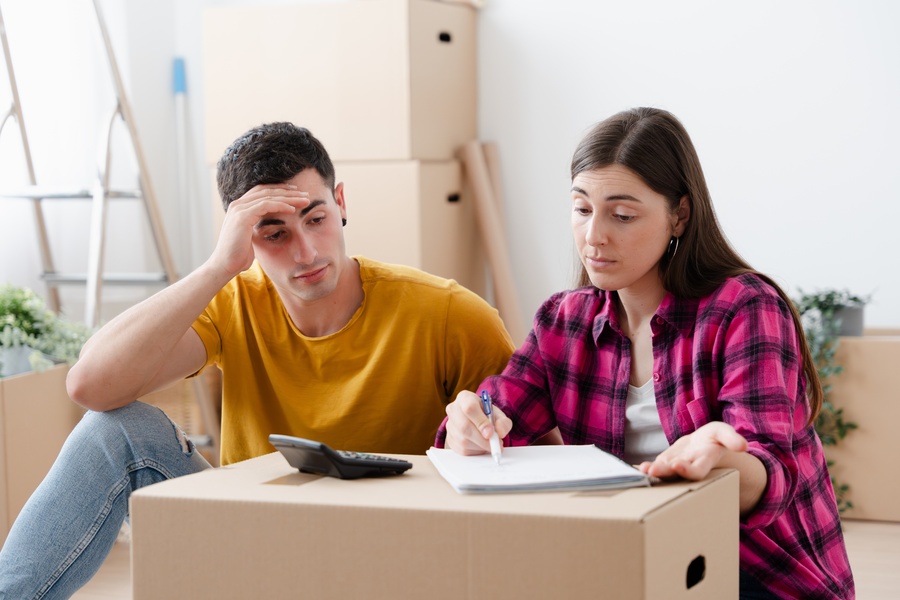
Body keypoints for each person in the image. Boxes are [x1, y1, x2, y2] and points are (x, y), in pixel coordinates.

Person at [0, 122, 515, 598]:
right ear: (243, 237)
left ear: (340, 203)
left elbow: (536, 459)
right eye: (274, 233)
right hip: (252, 547)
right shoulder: (232, 301)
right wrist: (218, 266)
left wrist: (477, 433)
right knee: (115, 430)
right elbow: (90, 386)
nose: (307, 252)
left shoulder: (449, 314)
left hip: (387, 561)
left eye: (316, 219)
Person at [438, 107, 854, 599]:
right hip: (634, 558)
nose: (594, 236)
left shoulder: (744, 308)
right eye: (581, 208)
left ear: (679, 215)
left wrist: (719, 460)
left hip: (757, 570)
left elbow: (770, 481)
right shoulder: (563, 322)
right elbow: (491, 419)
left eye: (623, 215)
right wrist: (468, 427)